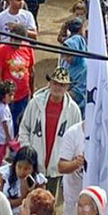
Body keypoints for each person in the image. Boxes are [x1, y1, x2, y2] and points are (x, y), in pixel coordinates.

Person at [19, 67, 82, 196]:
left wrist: (69, 162)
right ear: (50, 83)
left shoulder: (73, 110)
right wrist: (27, 151)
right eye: (55, 83)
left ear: (67, 87)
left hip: (56, 168)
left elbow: (77, 139)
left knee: (50, 204)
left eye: (62, 84)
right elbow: (24, 128)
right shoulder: (35, 103)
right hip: (34, 165)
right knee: (30, 200)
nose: (58, 87)